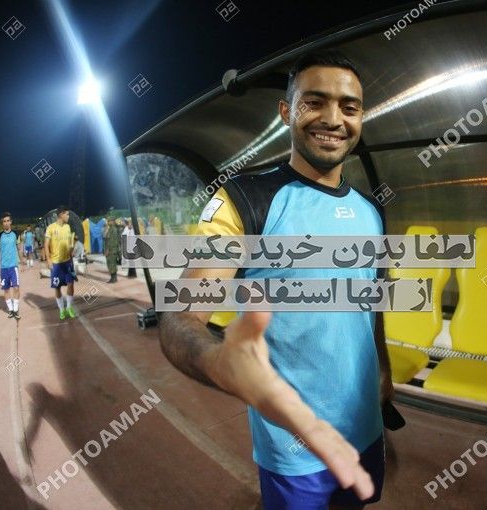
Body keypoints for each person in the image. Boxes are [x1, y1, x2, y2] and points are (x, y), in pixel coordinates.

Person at [158, 50, 391, 509]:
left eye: (349, 107)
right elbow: (180, 315)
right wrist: (217, 361)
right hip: (296, 451)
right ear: (287, 111)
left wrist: (382, 367)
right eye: (314, 102)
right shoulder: (245, 201)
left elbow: (372, 298)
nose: (333, 119)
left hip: (366, 430)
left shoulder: (371, 210)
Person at [44, 206, 77, 320]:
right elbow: (46, 245)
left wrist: (71, 252)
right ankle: (62, 310)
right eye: (67, 214)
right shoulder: (51, 228)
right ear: (61, 215)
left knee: (71, 284)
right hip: (56, 263)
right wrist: (48, 260)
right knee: (57, 287)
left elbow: (69, 244)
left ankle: (69, 307)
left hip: (67, 262)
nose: (68, 216)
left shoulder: (68, 227)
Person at [0, 212, 22, 319]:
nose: (6, 223)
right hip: (3, 268)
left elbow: (19, 249)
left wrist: (22, 262)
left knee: (16, 288)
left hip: (13, 266)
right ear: (2, 223)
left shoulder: (16, 234)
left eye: (8, 221)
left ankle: (16, 309)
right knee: (6, 289)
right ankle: (11, 310)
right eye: (4, 221)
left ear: (11, 222)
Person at [103, 216, 120, 283]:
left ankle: (113, 278)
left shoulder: (113, 230)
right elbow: (106, 238)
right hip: (111, 250)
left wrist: (108, 250)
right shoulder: (110, 229)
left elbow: (112, 242)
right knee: (111, 264)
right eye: (108, 221)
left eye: (109, 221)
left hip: (112, 250)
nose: (108, 222)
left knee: (112, 264)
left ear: (112, 221)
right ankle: (113, 278)